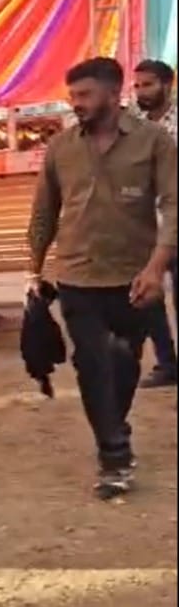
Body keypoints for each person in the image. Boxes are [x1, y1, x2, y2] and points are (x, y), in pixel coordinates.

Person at [27, 56, 177, 500]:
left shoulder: (154, 142)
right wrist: (34, 270)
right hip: (76, 275)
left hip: (134, 278)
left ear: (113, 94)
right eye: (73, 96)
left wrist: (156, 267)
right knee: (91, 363)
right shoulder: (61, 148)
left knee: (124, 362)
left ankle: (115, 428)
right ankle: (114, 456)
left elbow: (173, 206)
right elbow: (44, 211)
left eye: (85, 95)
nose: (77, 103)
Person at [130, 59, 178, 388]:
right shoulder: (134, 127)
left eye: (148, 85)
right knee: (148, 295)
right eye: (137, 86)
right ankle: (167, 364)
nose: (141, 92)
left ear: (167, 85)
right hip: (146, 225)